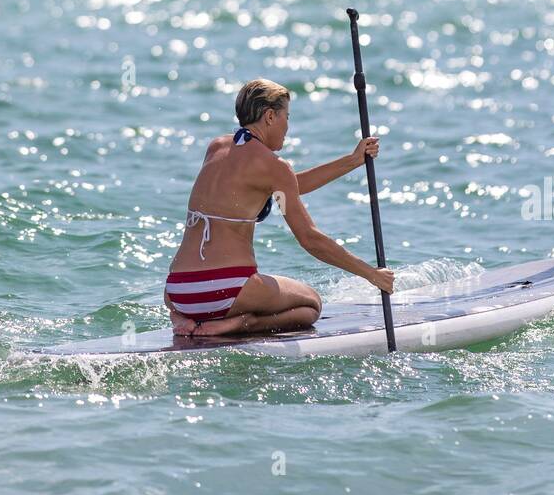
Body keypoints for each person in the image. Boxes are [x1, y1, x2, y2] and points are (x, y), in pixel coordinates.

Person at [163, 78, 394, 337]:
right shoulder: (274, 168)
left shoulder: (217, 147)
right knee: (310, 305)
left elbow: (289, 187)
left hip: (178, 293)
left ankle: (192, 321)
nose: (288, 126)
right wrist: (372, 274)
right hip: (226, 290)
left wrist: (352, 161)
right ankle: (236, 323)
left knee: (222, 295)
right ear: (270, 116)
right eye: (287, 116)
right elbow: (310, 239)